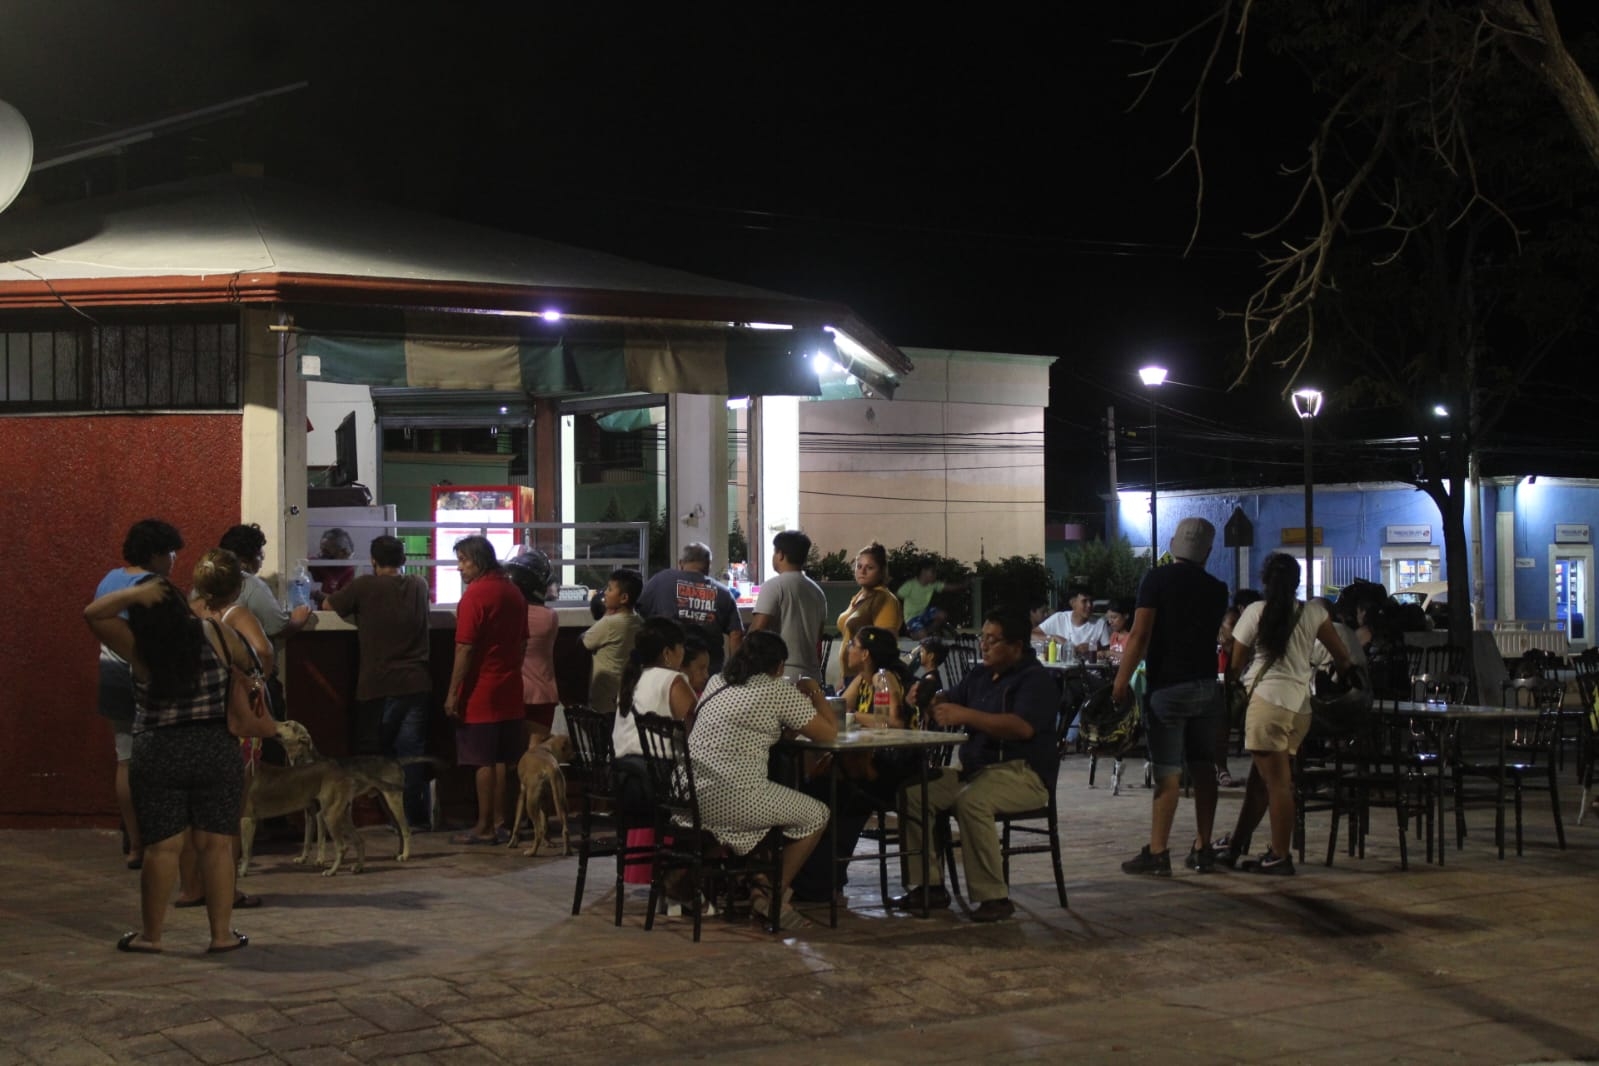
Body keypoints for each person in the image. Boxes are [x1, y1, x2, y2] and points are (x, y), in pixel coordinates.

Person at [86, 576, 268, 955]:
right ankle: (222, 935)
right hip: (214, 746)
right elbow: (251, 663)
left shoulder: (138, 645)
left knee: (161, 849)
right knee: (217, 845)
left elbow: (93, 613)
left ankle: (151, 936)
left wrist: (135, 593)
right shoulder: (215, 633)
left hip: (159, 749)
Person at [892, 608, 1059, 923]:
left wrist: (966, 716)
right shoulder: (980, 676)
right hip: (975, 771)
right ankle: (928, 885)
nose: (984, 645)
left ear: (1016, 645)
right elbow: (949, 699)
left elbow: (1022, 728)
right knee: (914, 793)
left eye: (993, 640)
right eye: (983, 637)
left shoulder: (1035, 680)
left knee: (971, 801)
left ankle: (994, 897)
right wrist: (928, 695)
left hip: (1023, 773)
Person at [1217, 554, 1359, 875]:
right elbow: (1342, 659)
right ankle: (1237, 844)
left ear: (1265, 581)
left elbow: (1235, 666)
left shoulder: (1255, 612)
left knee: (1278, 784)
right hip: (1299, 709)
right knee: (1260, 782)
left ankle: (1281, 855)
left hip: (1267, 705)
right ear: (1297, 581)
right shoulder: (1315, 614)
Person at [687, 631, 836, 930]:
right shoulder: (777, 691)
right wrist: (815, 692)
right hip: (734, 799)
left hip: (689, 797)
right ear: (779, 666)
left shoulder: (717, 682)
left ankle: (759, 882)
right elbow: (830, 734)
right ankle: (772, 894)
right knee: (817, 814)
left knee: (771, 799)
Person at [1114, 517, 1229, 877]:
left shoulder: (1156, 580)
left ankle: (1159, 851)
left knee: (1167, 771)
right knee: (1203, 766)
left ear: (1173, 544)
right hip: (1207, 686)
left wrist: (1120, 683)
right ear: (1208, 551)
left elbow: (1140, 634)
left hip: (1168, 687)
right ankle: (1203, 847)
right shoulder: (1217, 589)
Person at [791, 625, 915, 904]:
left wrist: (857, 717)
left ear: (866, 653)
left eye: (853, 645)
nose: (847, 649)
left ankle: (822, 884)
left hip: (891, 767)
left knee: (836, 796)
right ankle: (823, 883)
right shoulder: (864, 677)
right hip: (864, 762)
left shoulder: (883, 678)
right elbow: (838, 711)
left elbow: (890, 722)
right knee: (823, 789)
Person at [324, 535, 434, 831]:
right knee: (411, 753)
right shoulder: (419, 586)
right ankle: (414, 818)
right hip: (416, 681)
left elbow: (328, 604)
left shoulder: (364, 586)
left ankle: (384, 817)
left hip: (378, 684)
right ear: (404, 560)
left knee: (378, 755)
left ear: (373, 561)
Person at [96, 519, 185, 871]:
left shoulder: (109, 581)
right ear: (155, 554)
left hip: (110, 672)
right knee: (164, 762)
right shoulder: (154, 587)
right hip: (149, 679)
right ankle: (163, 839)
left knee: (125, 760)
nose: (174, 558)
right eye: (170, 552)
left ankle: (134, 843)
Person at [445, 535, 528, 846]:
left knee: (482, 759)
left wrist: (453, 693)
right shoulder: (513, 592)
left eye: (464, 561)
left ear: (479, 561)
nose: (459, 568)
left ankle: (483, 827)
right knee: (504, 760)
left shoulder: (475, 596)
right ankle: (500, 822)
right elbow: (522, 642)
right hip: (510, 686)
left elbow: (464, 649)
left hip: (481, 689)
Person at [636, 542, 744, 673]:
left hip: (668, 665)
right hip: (708, 669)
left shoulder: (661, 580)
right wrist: (734, 672)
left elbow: (638, 614)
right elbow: (736, 634)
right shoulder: (723, 592)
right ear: (708, 565)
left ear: (681, 563)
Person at [749, 530, 827, 682]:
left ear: (780, 555)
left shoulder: (773, 587)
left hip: (782, 675)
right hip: (812, 677)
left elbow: (757, 633)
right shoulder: (818, 592)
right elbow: (818, 638)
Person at [505, 550, 560, 742]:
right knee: (536, 755)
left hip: (512, 690)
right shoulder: (549, 616)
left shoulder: (507, 614)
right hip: (543, 692)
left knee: (509, 753)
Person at [1215, 588, 1262, 789]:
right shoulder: (1215, 652)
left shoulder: (1252, 651)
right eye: (1232, 625)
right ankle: (1220, 767)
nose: (1236, 631)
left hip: (1246, 699)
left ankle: (1260, 772)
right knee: (1221, 714)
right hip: (1221, 699)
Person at [582, 568, 644, 716]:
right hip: (628, 695)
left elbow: (585, 642)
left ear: (623, 598)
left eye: (610, 589)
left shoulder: (610, 623)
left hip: (605, 698)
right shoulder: (639, 620)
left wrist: (605, 615)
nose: (605, 594)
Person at [836, 542, 903, 675]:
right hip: (850, 675)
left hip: (867, 677)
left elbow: (885, 645)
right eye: (859, 566)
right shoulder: (859, 596)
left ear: (881, 571)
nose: (862, 571)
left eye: (870, 567)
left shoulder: (884, 599)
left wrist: (867, 678)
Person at [1034, 584, 1108, 662]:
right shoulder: (1059, 618)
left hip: (1089, 672)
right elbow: (1033, 634)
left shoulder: (1100, 623)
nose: (1089, 605)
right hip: (1060, 671)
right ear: (1073, 603)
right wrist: (1054, 638)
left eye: (1091, 601)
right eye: (1084, 601)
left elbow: (1108, 649)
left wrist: (1093, 647)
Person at [898, 564, 965, 638]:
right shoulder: (910, 585)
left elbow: (950, 587)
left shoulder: (933, 584)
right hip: (912, 617)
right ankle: (912, 633)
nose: (935, 575)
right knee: (923, 635)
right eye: (933, 572)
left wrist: (965, 584)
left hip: (924, 612)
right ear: (923, 572)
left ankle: (928, 631)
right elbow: (897, 597)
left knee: (942, 615)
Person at [309, 528, 356, 605]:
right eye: (322, 550)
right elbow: (304, 561)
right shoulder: (330, 565)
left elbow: (344, 602)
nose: (322, 555)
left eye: (326, 551)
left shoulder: (352, 572)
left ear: (343, 552)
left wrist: (316, 595)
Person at [1103, 599, 1134, 665]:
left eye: (1114, 617)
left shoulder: (1132, 637)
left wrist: (1111, 653)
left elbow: (1132, 659)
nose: (1110, 622)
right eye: (1108, 618)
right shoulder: (1114, 635)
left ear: (1126, 616)